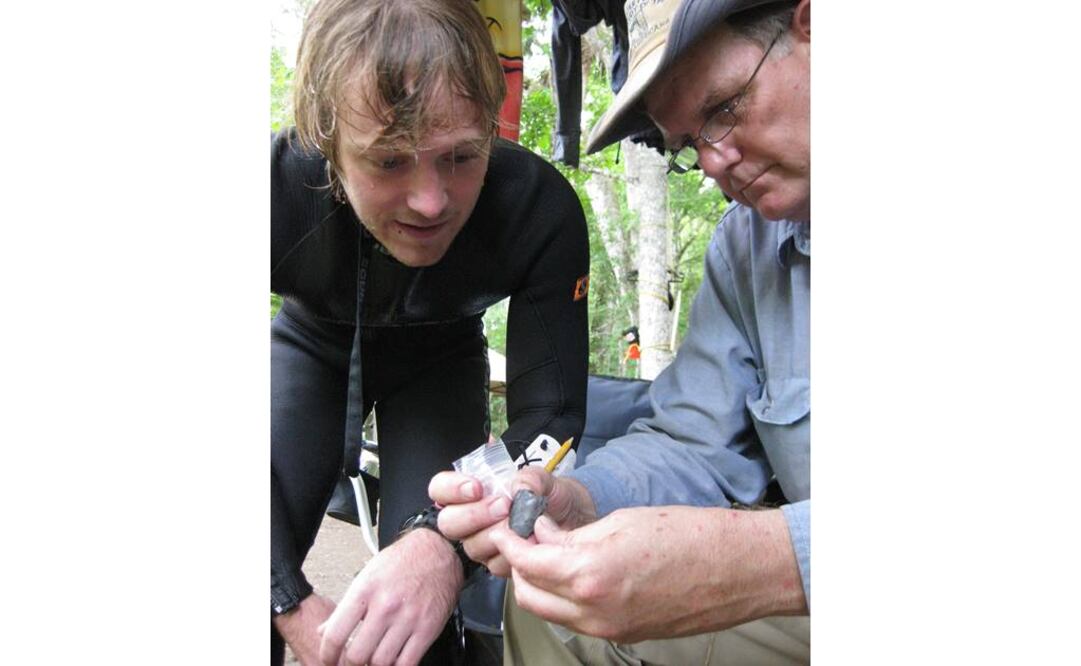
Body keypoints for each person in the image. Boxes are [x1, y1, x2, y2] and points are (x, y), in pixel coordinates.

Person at [432, 0, 811, 662]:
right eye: (689, 143)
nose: (713, 164)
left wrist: (760, 561)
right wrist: (579, 501)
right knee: (551, 596)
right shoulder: (746, 251)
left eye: (723, 108)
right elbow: (692, 445)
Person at [270, 1, 590, 664]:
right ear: (327, 141)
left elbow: (550, 419)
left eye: (461, 156)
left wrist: (442, 542)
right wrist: (286, 602)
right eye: (388, 161)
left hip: (440, 361)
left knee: (422, 621)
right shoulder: (275, 187)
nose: (431, 201)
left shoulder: (537, 207)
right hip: (312, 344)